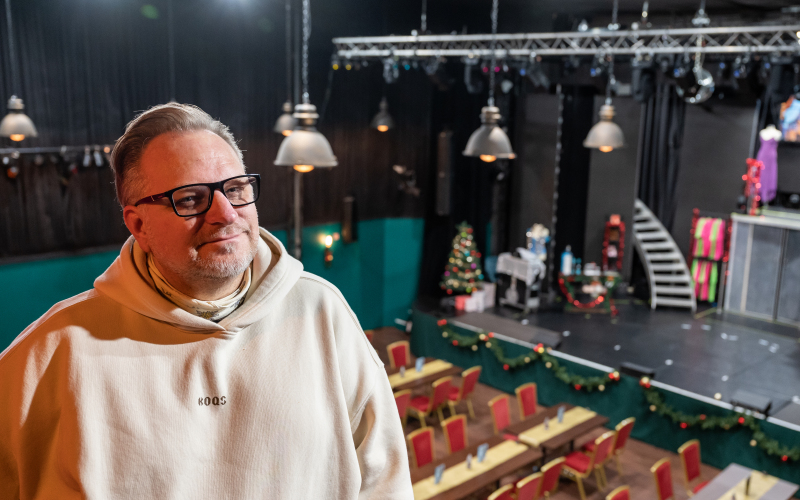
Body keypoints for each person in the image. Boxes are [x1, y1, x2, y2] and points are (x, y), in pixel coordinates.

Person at [0, 103, 413, 499]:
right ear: (138, 224)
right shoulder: (51, 352)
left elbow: (384, 480)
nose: (226, 213)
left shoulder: (322, 311)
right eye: (192, 198)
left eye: (235, 189)